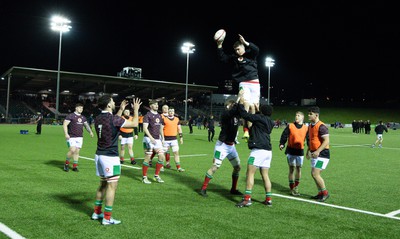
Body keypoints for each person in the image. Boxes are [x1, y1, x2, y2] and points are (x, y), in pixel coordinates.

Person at [91, 96, 141, 225]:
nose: (114, 103)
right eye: (113, 101)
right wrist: (136, 110)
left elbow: (113, 122)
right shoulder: (114, 119)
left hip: (99, 155)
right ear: (108, 105)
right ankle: (107, 218)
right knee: (112, 186)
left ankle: (96, 213)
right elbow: (135, 124)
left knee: (102, 184)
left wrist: (121, 109)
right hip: (110, 157)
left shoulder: (97, 118)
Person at [217, 33, 260, 141]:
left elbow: (256, 49)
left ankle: (250, 131)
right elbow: (223, 58)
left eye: (238, 49)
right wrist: (219, 45)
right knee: (244, 103)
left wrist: (246, 42)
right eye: (235, 50)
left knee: (253, 107)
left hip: (255, 83)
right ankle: (245, 130)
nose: (237, 51)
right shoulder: (234, 58)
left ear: (243, 47)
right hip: (243, 84)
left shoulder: (250, 55)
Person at [235, 96, 275, 207]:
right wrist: (258, 110)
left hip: (258, 150)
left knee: (250, 173)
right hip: (268, 151)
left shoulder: (259, 118)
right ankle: (268, 199)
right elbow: (259, 118)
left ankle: (247, 199)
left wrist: (240, 104)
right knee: (265, 175)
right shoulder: (270, 122)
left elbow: (245, 115)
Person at [199, 99, 242, 197]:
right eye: (233, 104)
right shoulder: (225, 114)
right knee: (214, 167)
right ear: (228, 106)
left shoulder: (235, 115)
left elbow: (241, 110)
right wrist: (239, 99)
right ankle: (203, 188)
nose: (235, 106)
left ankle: (233, 189)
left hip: (231, 146)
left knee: (237, 167)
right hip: (222, 146)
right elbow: (231, 111)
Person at [278, 111, 308, 196]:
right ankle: (291, 187)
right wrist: (282, 143)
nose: (296, 117)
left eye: (298, 115)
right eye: (296, 115)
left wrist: (310, 149)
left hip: (300, 151)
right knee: (291, 168)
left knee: (298, 169)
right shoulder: (290, 126)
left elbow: (309, 138)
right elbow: (284, 135)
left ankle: (296, 186)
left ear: (302, 117)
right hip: (290, 151)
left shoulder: (306, 128)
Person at [306, 106, 330, 202]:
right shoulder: (310, 126)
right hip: (314, 153)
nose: (308, 115)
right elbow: (311, 140)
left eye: (310, 114)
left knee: (316, 174)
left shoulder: (322, 126)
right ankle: (320, 193)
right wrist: (308, 151)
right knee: (313, 174)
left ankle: (325, 193)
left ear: (316, 115)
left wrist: (318, 151)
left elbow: (326, 141)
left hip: (322, 155)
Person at [63, 103, 94, 172]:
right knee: (72, 150)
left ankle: (74, 166)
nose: (81, 109)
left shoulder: (83, 117)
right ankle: (66, 164)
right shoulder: (70, 116)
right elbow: (65, 124)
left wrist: (90, 132)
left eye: (82, 108)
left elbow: (86, 125)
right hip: (71, 137)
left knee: (77, 152)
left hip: (80, 137)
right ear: (76, 108)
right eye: (80, 108)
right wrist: (66, 134)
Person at [141, 100, 165, 184]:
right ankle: (144, 177)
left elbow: (161, 128)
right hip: (148, 139)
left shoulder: (159, 116)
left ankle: (156, 176)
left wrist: (163, 138)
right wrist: (151, 138)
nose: (157, 106)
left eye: (157, 104)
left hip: (157, 139)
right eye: (155, 104)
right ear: (150, 106)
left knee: (161, 156)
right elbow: (145, 128)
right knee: (148, 157)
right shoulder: (147, 115)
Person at [162, 107, 185, 172]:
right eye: (170, 111)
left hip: (174, 139)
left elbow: (179, 128)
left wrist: (181, 138)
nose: (171, 112)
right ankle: (161, 166)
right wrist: (162, 138)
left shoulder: (177, 119)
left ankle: (178, 167)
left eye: (172, 111)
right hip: (165, 139)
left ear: (174, 112)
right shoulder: (164, 119)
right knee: (163, 153)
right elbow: (160, 129)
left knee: (176, 153)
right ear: (168, 112)